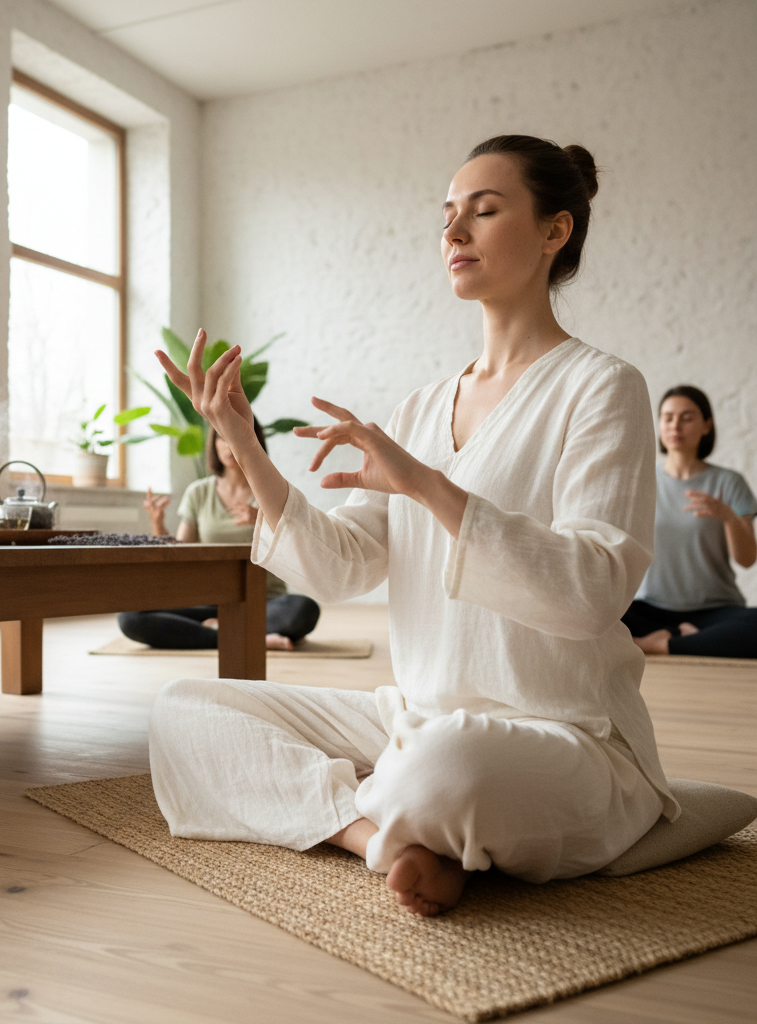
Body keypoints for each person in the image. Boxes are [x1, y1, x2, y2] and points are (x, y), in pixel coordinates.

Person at [148, 135, 679, 919]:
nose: (454, 232)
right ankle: (379, 838)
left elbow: (592, 592)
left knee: (446, 764)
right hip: (413, 717)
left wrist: (429, 486)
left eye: (484, 210)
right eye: (447, 216)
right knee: (181, 708)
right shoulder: (420, 408)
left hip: (560, 732)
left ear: (554, 231)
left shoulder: (603, 387)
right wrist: (247, 448)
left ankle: (404, 805)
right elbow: (340, 569)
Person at [118, 417, 321, 651]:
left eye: (235, 437)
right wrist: (157, 525)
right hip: (206, 601)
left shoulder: (273, 490)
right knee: (131, 617)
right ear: (214, 444)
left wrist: (263, 520)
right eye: (222, 438)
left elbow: (297, 549)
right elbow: (182, 555)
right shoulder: (199, 492)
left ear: (253, 442)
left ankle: (218, 631)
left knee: (303, 610)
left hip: (264, 602)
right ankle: (250, 637)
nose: (228, 445)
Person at [622, 386, 757, 657]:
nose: (676, 426)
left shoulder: (729, 483)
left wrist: (728, 517)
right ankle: (692, 642)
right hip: (648, 609)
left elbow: (746, 559)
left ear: (707, 425)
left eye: (687, 417)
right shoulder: (638, 481)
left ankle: (657, 644)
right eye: (668, 417)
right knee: (591, 620)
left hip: (715, 610)